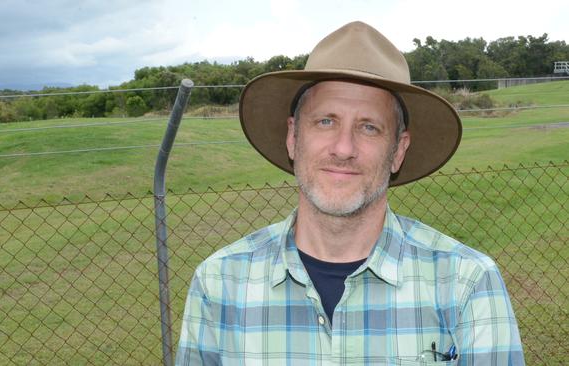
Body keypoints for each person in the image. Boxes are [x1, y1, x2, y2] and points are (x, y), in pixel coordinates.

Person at [176, 21, 524, 365]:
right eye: (326, 121)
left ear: (398, 151)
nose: (343, 148)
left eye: (369, 127)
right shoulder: (219, 284)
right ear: (293, 137)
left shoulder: (468, 284)